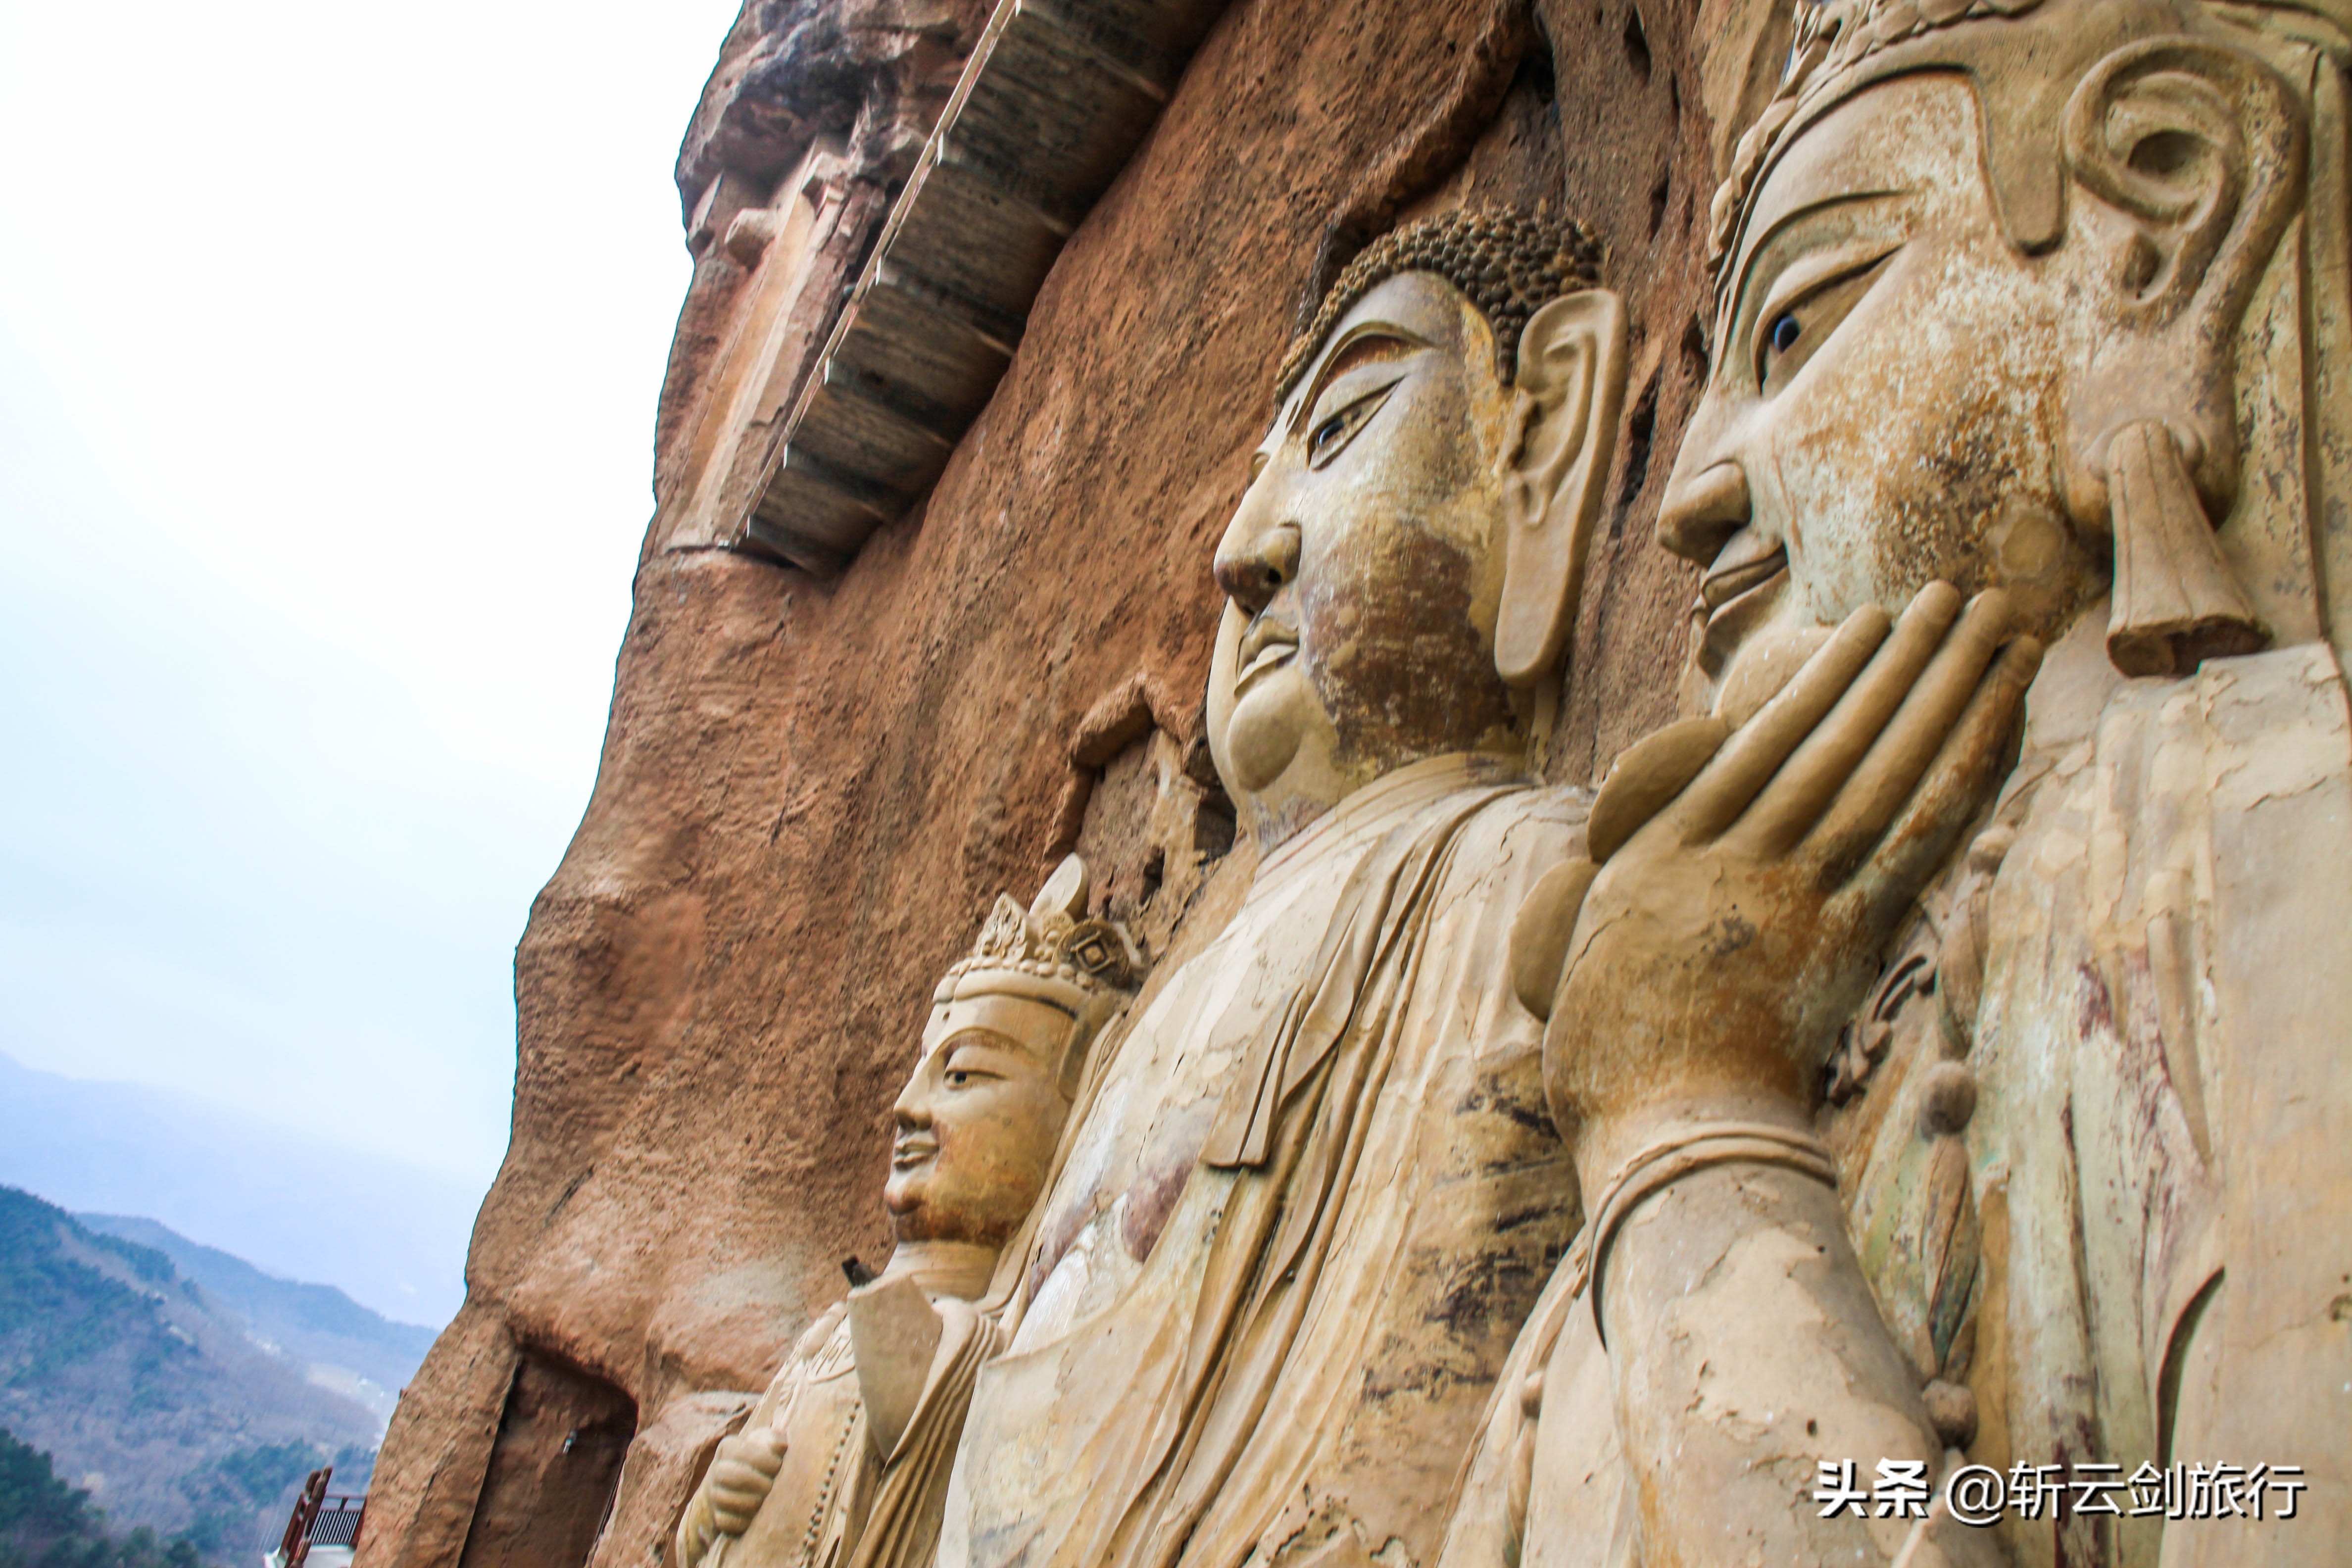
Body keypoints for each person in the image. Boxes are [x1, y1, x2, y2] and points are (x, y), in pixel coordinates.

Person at [1453, 0, 2352, 1560]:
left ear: (2159, 217)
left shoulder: (2266, 849)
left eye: (1797, 330)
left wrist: (1688, 1115)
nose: (1689, 494)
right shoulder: (1620, 1217)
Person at [932, 208, 1626, 1568]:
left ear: (1534, 451)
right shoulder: (1159, 1012)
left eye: (1342, 433)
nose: (1240, 551)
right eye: (1259, 479)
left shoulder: (1516, 881)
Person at [676, 857, 1139, 1568]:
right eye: (922, 1071)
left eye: (960, 1076)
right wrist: (708, 1513)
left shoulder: (1016, 1340)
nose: (908, 1107)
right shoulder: (821, 1343)